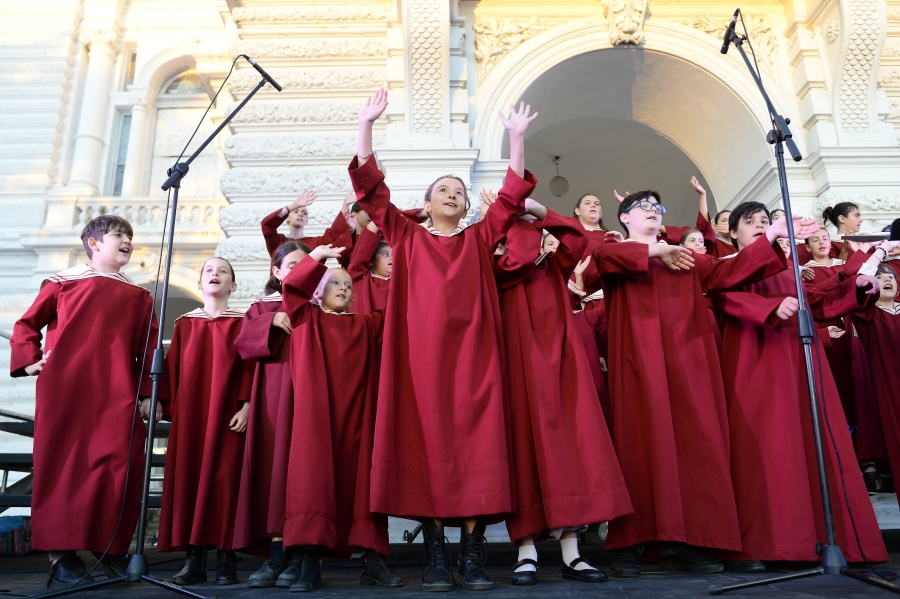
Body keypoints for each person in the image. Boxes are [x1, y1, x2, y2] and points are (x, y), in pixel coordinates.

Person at [351, 89, 537, 592]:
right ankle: (436, 555)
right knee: (427, 449)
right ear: (428, 202)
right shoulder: (406, 236)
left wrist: (517, 138)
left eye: (459, 191)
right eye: (444, 190)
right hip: (420, 363)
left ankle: (472, 556)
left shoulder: (479, 238)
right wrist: (366, 126)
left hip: (477, 360)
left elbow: (511, 197)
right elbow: (372, 192)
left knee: (479, 448)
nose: (454, 194)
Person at [594, 191, 807, 578]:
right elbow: (607, 260)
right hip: (639, 364)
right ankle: (630, 543)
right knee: (638, 447)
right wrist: (660, 251)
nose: (653, 212)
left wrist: (772, 234)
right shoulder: (615, 250)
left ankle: (687, 542)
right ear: (624, 217)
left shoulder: (687, 258)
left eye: (658, 207)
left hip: (688, 361)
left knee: (694, 447)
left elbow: (730, 271)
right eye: (644, 207)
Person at [712, 202, 889, 566]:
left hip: (799, 355)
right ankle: (764, 543)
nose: (760, 225)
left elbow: (817, 303)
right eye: (750, 222)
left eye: (765, 220)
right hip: (755, 358)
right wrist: (768, 308)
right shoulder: (727, 264)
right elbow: (725, 295)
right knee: (765, 444)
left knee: (812, 439)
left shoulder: (789, 268)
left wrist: (857, 286)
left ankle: (821, 539)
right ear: (732, 232)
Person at [9, 215, 159, 587]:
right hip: (66, 389)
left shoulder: (139, 296)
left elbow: (150, 348)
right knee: (64, 466)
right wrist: (29, 361)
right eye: (118, 235)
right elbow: (27, 324)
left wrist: (149, 395)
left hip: (118, 391)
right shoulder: (63, 283)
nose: (127, 240)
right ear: (93, 243)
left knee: (118, 466)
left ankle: (112, 550)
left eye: (129, 236)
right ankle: (61, 555)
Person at [493, 198, 632, 586]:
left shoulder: (555, 266)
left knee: (569, 453)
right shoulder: (498, 270)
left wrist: (537, 210)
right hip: (517, 371)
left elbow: (575, 237)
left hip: (560, 369)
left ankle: (572, 553)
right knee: (524, 455)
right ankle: (526, 552)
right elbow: (512, 258)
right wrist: (514, 221)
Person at [280, 246, 402, 592]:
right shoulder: (305, 318)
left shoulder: (366, 323)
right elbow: (292, 288)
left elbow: (399, 309)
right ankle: (309, 562)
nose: (344, 288)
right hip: (316, 420)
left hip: (359, 418)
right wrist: (318, 254)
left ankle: (372, 561)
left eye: (348, 284)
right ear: (317, 291)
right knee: (312, 482)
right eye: (335, 282)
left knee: (363, 485)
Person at [157, 257, 254, 586]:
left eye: (223, 271)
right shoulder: (185, 324)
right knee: (190, 479)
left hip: (228, 416)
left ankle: (226, 557)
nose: (215, 274)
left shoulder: (242, 323)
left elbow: (250, 368)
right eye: (209, 271)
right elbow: (173, 369)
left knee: (226, 481)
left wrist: (247, 406)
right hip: (192, 418)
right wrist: (163, 404)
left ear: (233, 285)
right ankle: (194, 559)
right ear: (200, 283)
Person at [233, 241, 310, 588]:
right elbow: (243, 347)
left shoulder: (320, 305)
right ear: (277, 273)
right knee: (276, 470)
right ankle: (279, 554)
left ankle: (305, 554)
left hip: (312, 396)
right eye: (291, 265)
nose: (299, 271)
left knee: (309, 470)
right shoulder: (262, 307)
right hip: (275, 395)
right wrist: (271, 320)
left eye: (305, 265)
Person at [851, 262, 900, 507]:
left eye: (891, 276)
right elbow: (856, 298)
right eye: (880, 277)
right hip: (890, 388)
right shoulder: (870, 316)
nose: (887, 280)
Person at [260, 189, 355, 259]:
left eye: (304, 213)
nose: (300, 214)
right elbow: (267, 225)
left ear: (307, 220)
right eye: (295, 211)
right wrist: (293, 206)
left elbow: (333, 234)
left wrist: (345, 206)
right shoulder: (278, 242)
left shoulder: (317, 242)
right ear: (287, 217)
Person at [346, 221, 391, 314]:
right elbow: (364, 245)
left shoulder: (401, 282)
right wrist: (380, 217)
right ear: (371, 261)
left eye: (395, 255)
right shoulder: (360, 278)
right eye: (385, 254)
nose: (392, 258)